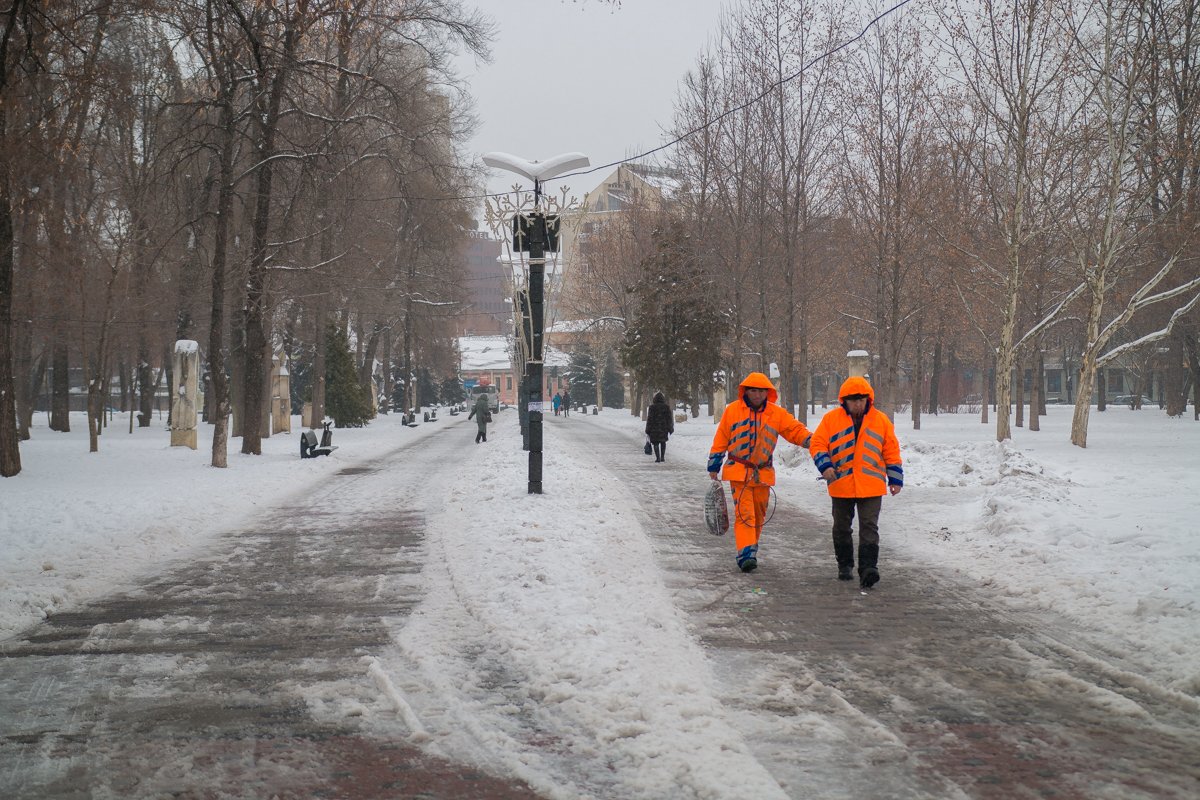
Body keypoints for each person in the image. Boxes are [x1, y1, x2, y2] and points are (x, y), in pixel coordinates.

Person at [708, 372, 813, 573]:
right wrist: (714, 464)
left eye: (761, 391)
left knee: (758, 514)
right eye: (753, 391)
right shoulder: (732, 411)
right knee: (745, 513)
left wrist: (812, 441)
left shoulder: (777, 414)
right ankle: (746, 553)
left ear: (768, 393)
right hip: (739, 472)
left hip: (762, 473)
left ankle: (750, 548)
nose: (757, 395)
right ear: (746, 391)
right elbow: (721, 438)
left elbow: (794, 430)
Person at [809, 376, 903, 588]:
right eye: (853, 400)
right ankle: (845, 564)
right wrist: (825, 466)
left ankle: (869, 568)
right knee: (842, 526)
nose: (858, 404)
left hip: (871, 485)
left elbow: (891, 449)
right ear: (845, 401)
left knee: (869, 526)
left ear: (868, 399)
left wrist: (895, 478)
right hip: (840, 483)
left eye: (861, 400)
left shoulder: (881, 421)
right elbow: (818, 444)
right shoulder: (831, 420)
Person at [645, 391, 674, 462]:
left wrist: (647, 429)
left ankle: (658, 458)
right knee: (663, 442)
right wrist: (670, 427)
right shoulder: (666, 407)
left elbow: (649, 419)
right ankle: (662, 457)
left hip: (654, 429)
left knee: (655, 443)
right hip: (664, 428)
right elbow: (669, 418)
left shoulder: (652, 407)